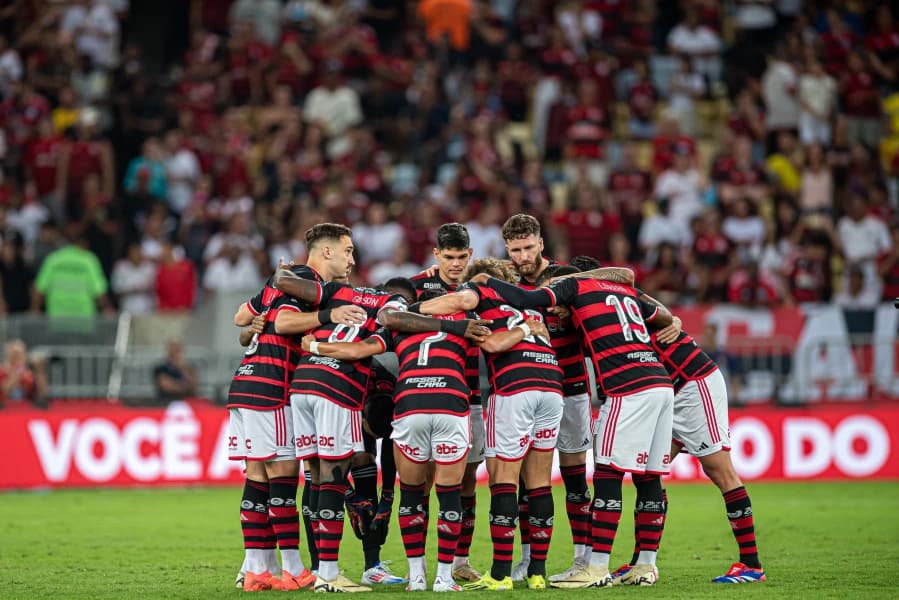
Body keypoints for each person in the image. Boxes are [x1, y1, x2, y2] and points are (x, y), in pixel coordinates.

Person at [273, 264, 489, 593]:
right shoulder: (460, 322)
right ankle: (442, 577)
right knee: (448, 495)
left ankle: (410, 576)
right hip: (442, 404)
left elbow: (357, 350)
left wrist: (313, 347)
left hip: (394, 404)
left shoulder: (385, 320)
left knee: (400, 492)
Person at [475, 269, 675, 588]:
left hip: (627, 386)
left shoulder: (572, 287)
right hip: (661, 383)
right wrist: (675, 320)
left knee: (607, 474)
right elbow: (663, 314)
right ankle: (646, 566)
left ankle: (595, 568)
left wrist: (486, 282)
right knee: (649, 477)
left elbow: (525, 298)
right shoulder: (625, 292)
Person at [229, 223, 368, 592]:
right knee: (284, 476)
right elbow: (284, 321)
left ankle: (256, 568)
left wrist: (260, 316)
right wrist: (328, 316)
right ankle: (291, 569)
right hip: (272, 385)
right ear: (326, 252)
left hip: (246, 381)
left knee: (258, 475)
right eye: (348, 251)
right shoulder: (307, 283)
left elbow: (242, 318)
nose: (352, 259)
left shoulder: (284, 280)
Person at [416, 258, 564, 591]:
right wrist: (529, 327)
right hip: (552, 387)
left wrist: (414, 308)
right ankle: (537, 572)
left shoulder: (482, 297)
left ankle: (500, 575)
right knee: (540, 481)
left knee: (503, 479)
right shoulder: (529, 302)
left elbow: (492, 341)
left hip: (514, 389)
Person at [608, 317, 765, 584]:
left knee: (719, 469)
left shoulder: (617, 298)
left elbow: (660, 311)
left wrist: (675, 319)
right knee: (646, 471)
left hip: (693, 384)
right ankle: (642, 564)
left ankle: (751, 564)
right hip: (663, 390)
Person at [500, 214, 594, 584]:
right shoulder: (504, 281)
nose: (523, 255)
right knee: (528, 481)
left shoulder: (569, 277)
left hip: (570, 388)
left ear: (541, 243)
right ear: (507, 249)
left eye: (528, 247)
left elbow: (609, 294)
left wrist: (571, 311)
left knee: (574, 479)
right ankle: (526, 559)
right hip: (525, 390)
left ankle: (583, 558)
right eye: (515, 249)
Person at [410, 223, 484, 583]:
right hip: (425, 392)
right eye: (449, 257)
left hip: (470, 396)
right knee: (422, 482)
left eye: (461, 257)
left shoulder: (481, 286)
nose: (456, 264)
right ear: (436, 254)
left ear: (470, 254)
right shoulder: (416, 286)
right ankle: (419, 565)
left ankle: (459, 561)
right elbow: (392, 315)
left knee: (466, 481)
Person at [0, 339, 47, 409]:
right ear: (8, 353)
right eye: (15, 353)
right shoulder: (2, 371)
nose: (17, 356)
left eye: (20, 353)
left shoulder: (29, 374)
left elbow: (43, 393)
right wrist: (20, 369)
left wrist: (40, 370)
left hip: (26, 412)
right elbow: (5, 389)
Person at [153, 340, 198, 404]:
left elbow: (193, 386)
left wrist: (182, 368)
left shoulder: (188, 368)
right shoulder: (161, 369)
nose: (176, 353)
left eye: (178, 350)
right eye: (174, 350)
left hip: (188, 403)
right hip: (167, 402)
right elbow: (166, 387)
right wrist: (185, 386)